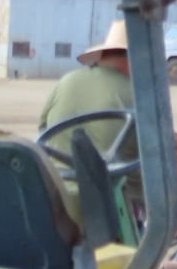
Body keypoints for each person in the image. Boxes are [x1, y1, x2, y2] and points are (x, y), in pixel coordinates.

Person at [39, 19, 137, 227]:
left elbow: (42, 129)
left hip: (51, 192)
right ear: (132, 61)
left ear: (102, 56)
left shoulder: (66, 81)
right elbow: (147, 156)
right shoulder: (137, 95)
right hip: (100, 207)